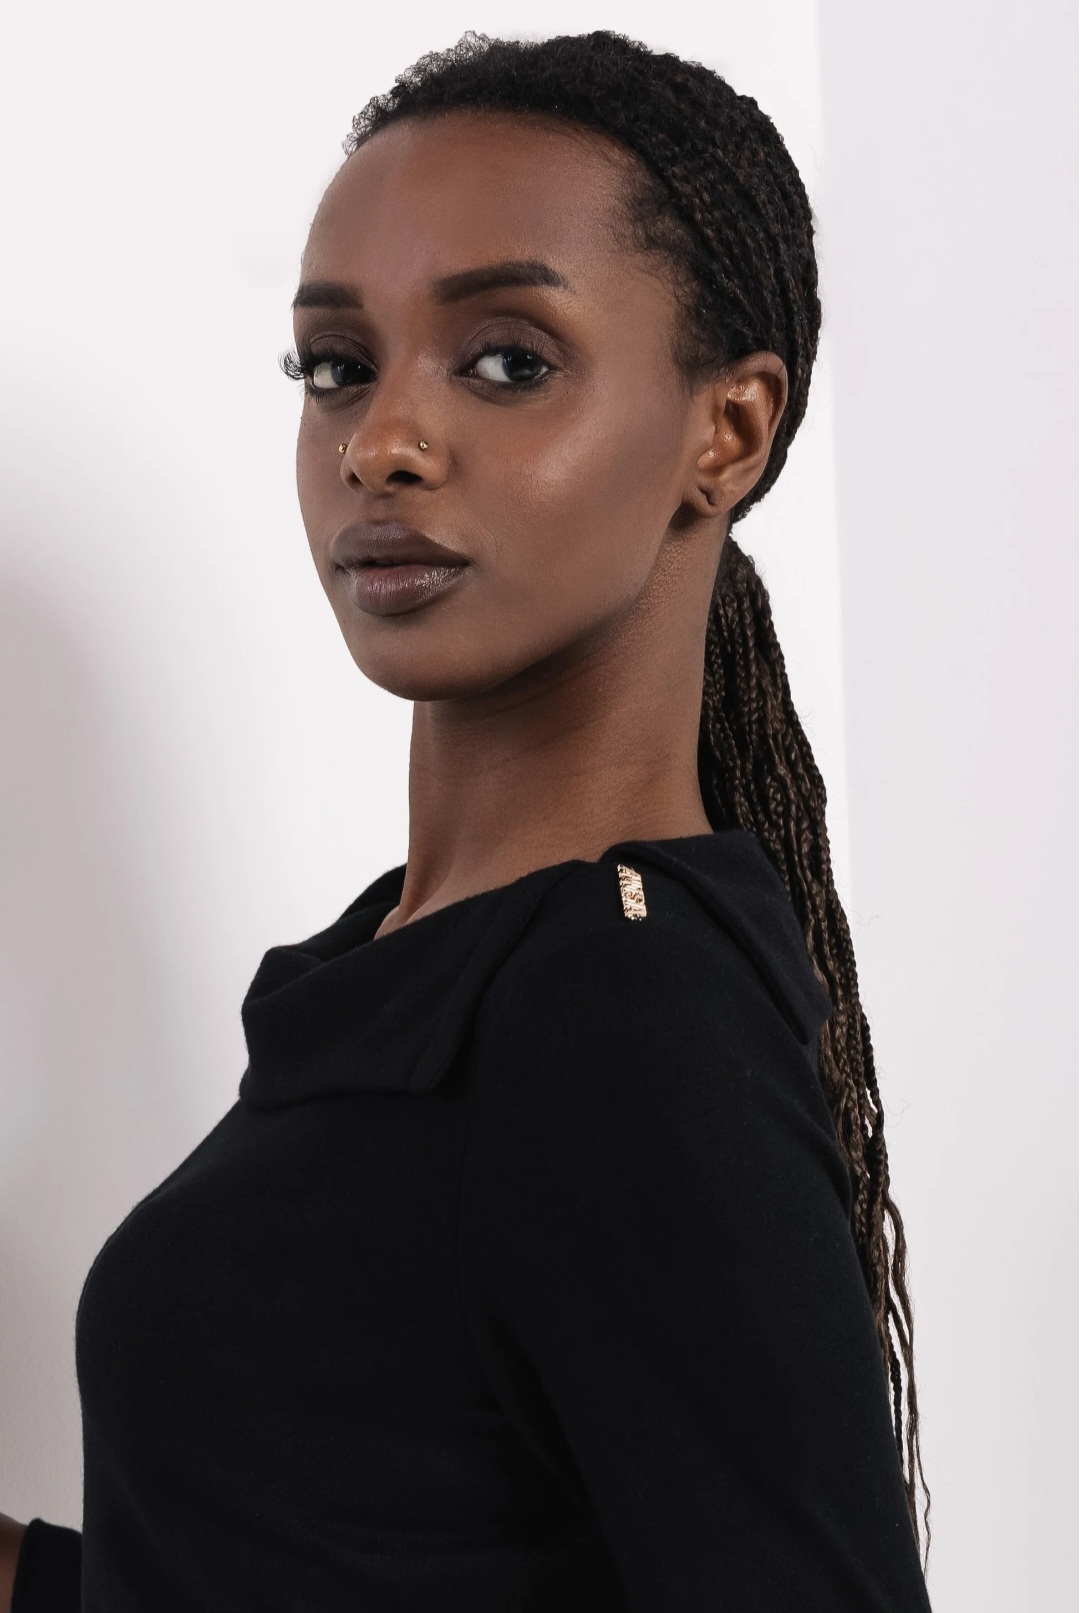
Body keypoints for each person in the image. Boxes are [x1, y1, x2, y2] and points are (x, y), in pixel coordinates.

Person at [1, 29, 934, 1612]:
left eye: (507, 361)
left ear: (727, 431)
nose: (382, 441)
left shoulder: (619, 1016)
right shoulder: (419, 961)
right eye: (336, 366)